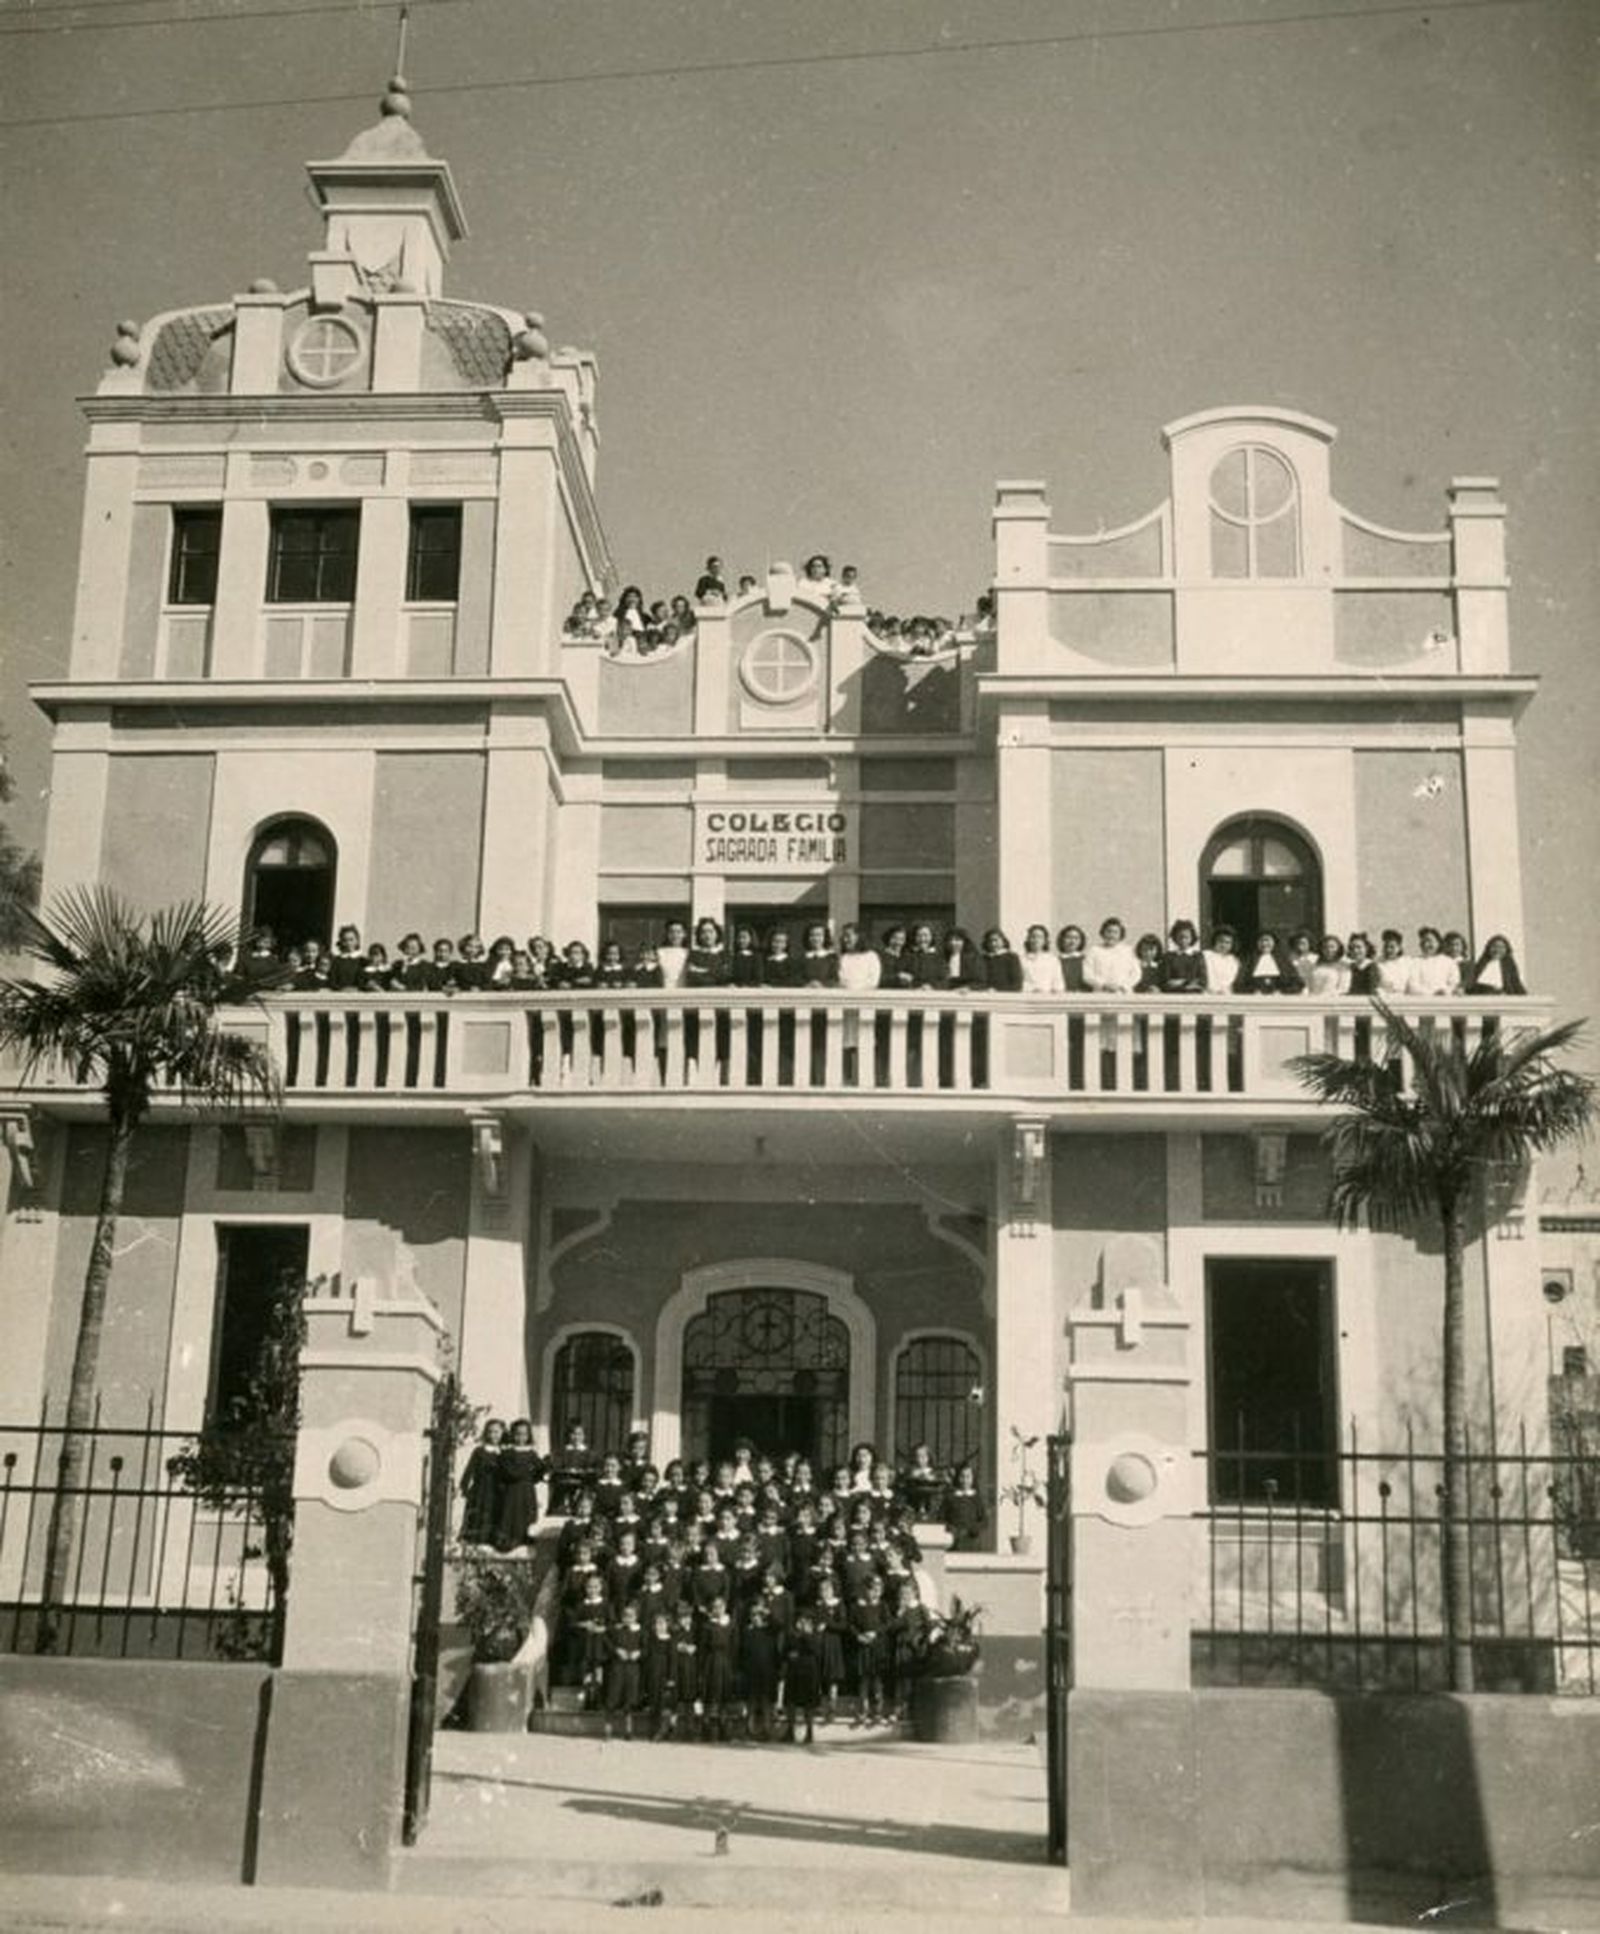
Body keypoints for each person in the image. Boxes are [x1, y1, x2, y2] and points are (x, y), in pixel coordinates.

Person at [493, 1419, 545, 1553]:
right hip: (512, 1489)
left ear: (528, 1436)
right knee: (511, 1513)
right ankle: (510, 1540)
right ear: (512, 1435)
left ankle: (525, 1538)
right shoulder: (507, 1453)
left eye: (524, 1434)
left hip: (527, 1489)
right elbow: (509, 1472)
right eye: (517, 1434)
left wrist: (533, 1475)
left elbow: (540, 1469)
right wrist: (528, 1471)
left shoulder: (531, 1453)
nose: (521, 1438)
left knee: (527, 1512)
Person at [458, 1417, 504, 1547]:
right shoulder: (479, 1451)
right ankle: (475, 1542)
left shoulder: (504, 1452)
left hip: (496, 1491)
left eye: (496, 1432)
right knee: (478, 1513)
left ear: (501, 1433)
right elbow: (470, 1469)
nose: (493, 1435)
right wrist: (464, 1486)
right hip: (480, 1489)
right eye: (490, 1432)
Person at [740, 1600, 782, 1741]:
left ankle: (767, 1730)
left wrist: (767, 1612)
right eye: (753, 1615)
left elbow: (779, 1625)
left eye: (758, 1615)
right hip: (751, 1671)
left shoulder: (769, 1631)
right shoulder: (747, 1632)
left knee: (766, 1702)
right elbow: (743, 1652)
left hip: (767, 1671)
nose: (755, 1618)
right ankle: (749, 1729)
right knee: (751, 1702)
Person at [605, 1602, 645, 1739]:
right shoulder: (617, 1630)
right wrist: (617, 1650)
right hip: (618, 1666)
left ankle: (628, 1730)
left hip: (633, 1668)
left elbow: (646, 1648)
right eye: (625, 1616)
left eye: (631, 1616)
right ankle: (608, 1729)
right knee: (614, 1696)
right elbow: (606, 1640)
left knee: (630, 1698)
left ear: (636, 1617)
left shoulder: (640, 1632)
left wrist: (638, 1653)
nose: (628, 1618)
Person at [786, 1609, 823, 1744]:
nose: (801, 1623)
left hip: (809, 1672)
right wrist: (790, 1654)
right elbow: (787, 1649)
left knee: (808, 1704)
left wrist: (806, 1634)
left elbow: (816, 1651)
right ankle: (790, 1730)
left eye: (805, 1621)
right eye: (800, 1620)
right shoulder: (792, 1634)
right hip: (794, 1670)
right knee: (790, 1702)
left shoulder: (815, 1635)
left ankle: (809, 1732)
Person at [1083, 916, 1140, 995]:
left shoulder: (1128, 951)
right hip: (1100, 994)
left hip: (1124, 994)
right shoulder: (1094, 950)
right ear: (1103, 932)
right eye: (1109, 931)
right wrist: (1104, 985)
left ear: (1120, 934)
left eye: (1115, 932)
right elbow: (1087, 975)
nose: (1111, 935)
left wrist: (1123, 986)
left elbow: (1136, 974)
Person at [645, 1609, 677, 1739]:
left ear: (667, 1625)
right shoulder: (651, 1639)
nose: (660, 1626)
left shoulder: (670, 1640)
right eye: (657, 1623)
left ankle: (664, 1729)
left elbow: (673, 1660)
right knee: (654, 1702)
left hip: (664, 1674)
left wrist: (671, 1677)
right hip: (653, 1674)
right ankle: (654, 1729)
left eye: (662, 1623)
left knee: (664, 1703)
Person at [944, 1461, 987, 1552]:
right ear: (957, 1478)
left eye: (968, 1477)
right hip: (953, 1542)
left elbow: (984, 1520)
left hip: (972, 1541)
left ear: (972, 1478)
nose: (965, 1480)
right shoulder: (950, 1497)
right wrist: (950, 1528)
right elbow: (941, 1518)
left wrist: (974, 1528)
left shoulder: (976, 1498)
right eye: (962, 1476)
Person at [898, 1442, 946, 1522]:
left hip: (932, 1508)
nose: (920, 1459)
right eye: (917, 1456)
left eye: (923, 1456)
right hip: (912, 1507)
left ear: (929, 1457)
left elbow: (941, 1490)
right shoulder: (907, 1473)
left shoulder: (937, 1474)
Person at [1238, 930, 1296, 995]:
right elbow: (1239, 984)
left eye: (1267, 940)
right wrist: (1252, 991)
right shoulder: (1249, 960)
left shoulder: (1283, 960)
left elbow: (1297, 983)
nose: (1264, 944)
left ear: (1274, 942)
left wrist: (1282, 992)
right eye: (1261, 941)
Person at [1407, 925, 1459, 997]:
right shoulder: (1415, 962)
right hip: (1422, 1002)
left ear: (1438, 943)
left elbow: (1454, 983)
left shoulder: (1449, 962)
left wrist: (1445, 991)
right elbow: (1412, 986)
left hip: (1445, 1001)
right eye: (1424, 941)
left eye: (1430, 941)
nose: (1427, 944)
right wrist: (1432, 994)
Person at [1160, 920, 1205, 994]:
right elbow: (1165, 981)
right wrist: (1188, 983)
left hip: (1193, 996)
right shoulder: (1169, 957)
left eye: (1186, 937)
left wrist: (1181, 982)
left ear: (1192, 938)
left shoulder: (1197, 957)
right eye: (1180, 937)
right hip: (1174, 996)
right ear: (1175, 937)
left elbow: (1202, 980)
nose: (1183, 940)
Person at [1020, 924, 1066, 994]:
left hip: (1048, 996)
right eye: (1033, 937)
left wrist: (1055, 992)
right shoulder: (1021, 959)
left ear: (1045, 941)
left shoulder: (1052, 960)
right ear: (1028, 939)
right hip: (1028, 995)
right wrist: (1032, 989)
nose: (1036, 940)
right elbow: (1020, 980)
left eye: (1040, 937)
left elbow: (1058, 980)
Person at [979, 927, 1022, 992]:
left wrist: (997, 990)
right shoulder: (982, 959)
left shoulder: (1011, 958)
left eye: (996, 940)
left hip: (1006, 996)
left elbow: (1017, 984)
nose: (993, 944)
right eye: (990, 941)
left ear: (1003, 941)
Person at [327, 924, 369, 991]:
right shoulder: (336, 961)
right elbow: (332, 981)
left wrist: (356, 989)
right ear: (341, 942)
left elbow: (365, 981)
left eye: (351, 940)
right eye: (345, 940)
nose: (348, 943)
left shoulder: (363, 961)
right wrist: (341, 989)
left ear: (357, 941)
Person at [1346, 931, 1381, 996]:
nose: (1355, 951)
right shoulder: (1350, 967)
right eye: (1352, 948)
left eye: (1359, 947)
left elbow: (1372, 989)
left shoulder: (1371, 967)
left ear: (1366, 948)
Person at [1056, 925, 1088, 992]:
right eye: (1068, 937)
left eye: (1076, 938)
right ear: (1062, 939)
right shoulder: (1055, 961)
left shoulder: (1086, 960)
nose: (1072, 941)